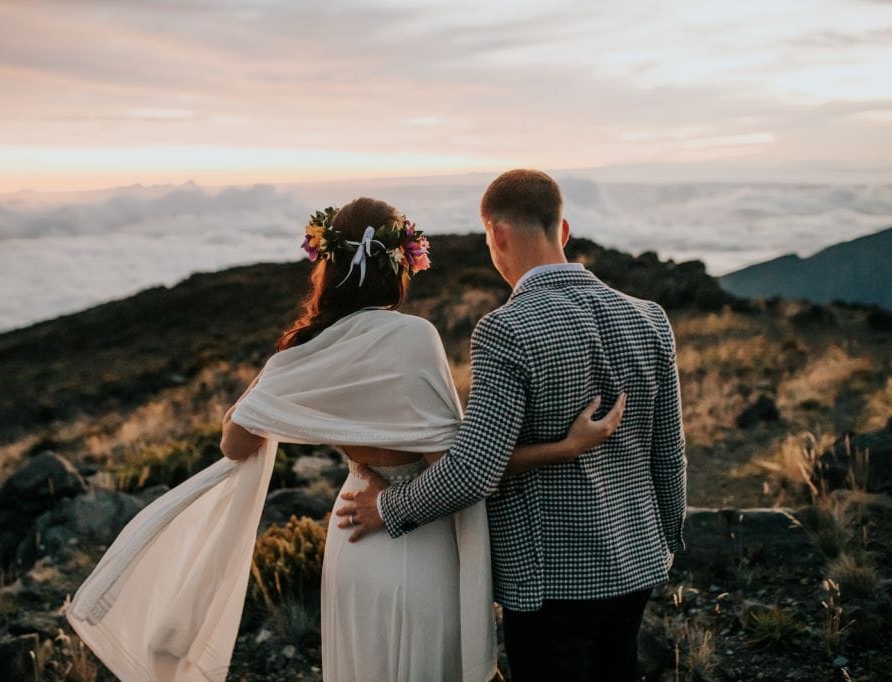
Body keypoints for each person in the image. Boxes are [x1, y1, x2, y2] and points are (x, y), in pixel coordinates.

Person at [65, 196, 625, 682]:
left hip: (354, 539)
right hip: (420, 540)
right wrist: (563, 448)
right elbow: (461, 472)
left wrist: (269, 378)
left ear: (328, 266)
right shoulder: (415, 338)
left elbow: (234, 444)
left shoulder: (305, 349)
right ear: (400, 265)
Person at [336, 170, 688, 681]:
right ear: (562, 231)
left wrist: (387, 508)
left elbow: (474, 470)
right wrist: (667, 540)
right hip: (638, 558)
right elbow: (669, 452)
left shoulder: (507, 329)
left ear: (497, 235)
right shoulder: (650, 317)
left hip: (550, 581)